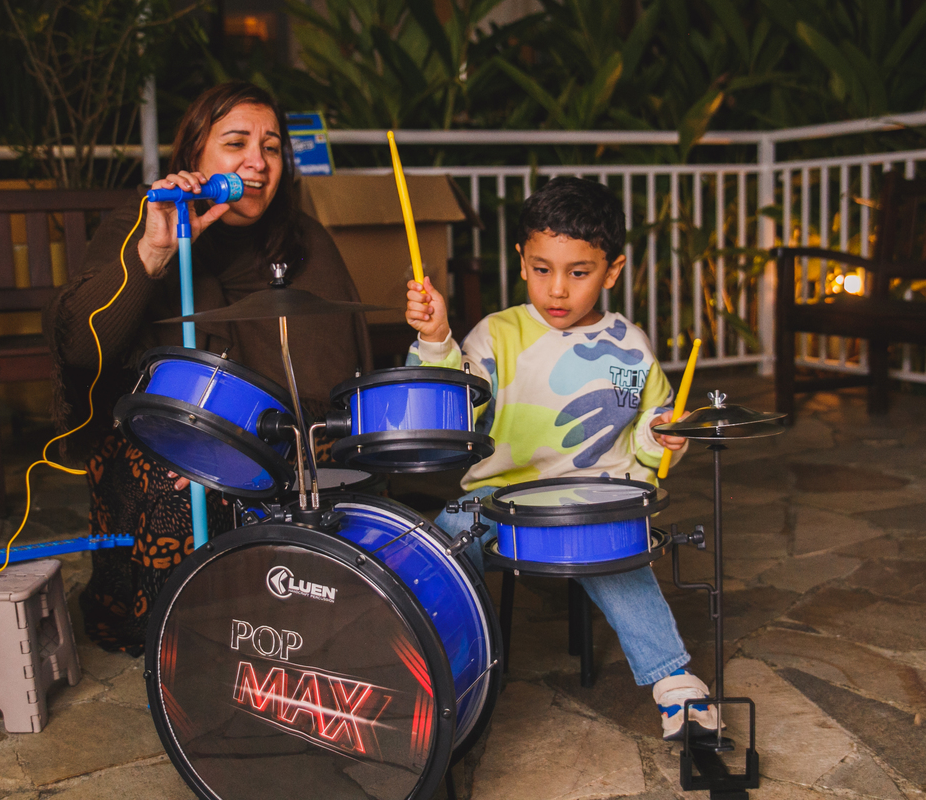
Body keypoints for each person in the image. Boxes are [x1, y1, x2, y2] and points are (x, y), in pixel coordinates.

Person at [44, 81, 372, 655]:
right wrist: (156, 252)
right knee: (181, 480)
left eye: (271, 148)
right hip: (158, 435)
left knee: (340, 469)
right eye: (236, 142)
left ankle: (295, 629)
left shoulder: (303, 238)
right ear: (195, 155)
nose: (257, 162)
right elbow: (80, 346)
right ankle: (185, 643)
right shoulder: (145, 219)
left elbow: (339, 367)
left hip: (277, 432)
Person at [403, 176, 718, 741]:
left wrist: (665, 438)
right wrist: (436, 338)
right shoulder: (495, 334)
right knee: (445, 542)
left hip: (595, 500)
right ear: (522, 261)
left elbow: (649, 435)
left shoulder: (632, 344)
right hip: (499, 501)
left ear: (611, 271)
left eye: (579, 272)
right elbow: (451, 403)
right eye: (542, 268)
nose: (558, 290)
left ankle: (674, 682)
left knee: (622, 561)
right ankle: (432, 667)